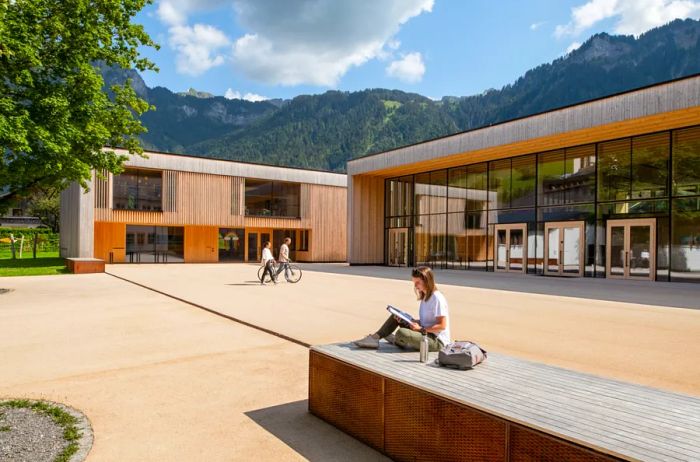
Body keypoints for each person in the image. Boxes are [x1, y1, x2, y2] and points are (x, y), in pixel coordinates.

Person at [353, 266, 450, 351]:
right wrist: (410, 321)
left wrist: (420, 329)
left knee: (402, 333)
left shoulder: (437, 298)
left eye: (418, 282)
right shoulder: (425, 297)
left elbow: (442, 326)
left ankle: (396, 339)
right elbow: (428, 321)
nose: (415, 286)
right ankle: (375, 338)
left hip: (437, 341)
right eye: (414, 283)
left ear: (427, 281)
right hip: (425, 332)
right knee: (396, 316)